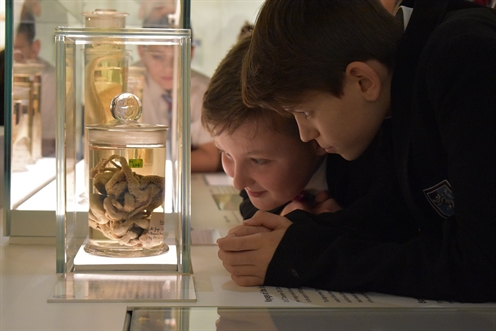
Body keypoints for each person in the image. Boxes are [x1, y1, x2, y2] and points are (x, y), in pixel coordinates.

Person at [218, 0, 496, 303]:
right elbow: (396, 217)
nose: (305, 134)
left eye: (306, 112)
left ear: (363, 81)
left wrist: (302, 259)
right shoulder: (400, 79)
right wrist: (295, 235)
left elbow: (481, 265)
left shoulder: (465, 57)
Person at [137, 14, 221, 173]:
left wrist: (151, 166)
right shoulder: (127, 86)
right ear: (142, 51)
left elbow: (210, 159)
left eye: (177, 56)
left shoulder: (204, 90)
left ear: (190, 53)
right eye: (157, 56)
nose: (168, 68)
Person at [14, 12, 56, 156]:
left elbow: (48, 141)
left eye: (17, 51)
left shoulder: (48, 78)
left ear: (34, 48)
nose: (11, 59)